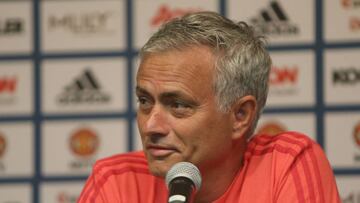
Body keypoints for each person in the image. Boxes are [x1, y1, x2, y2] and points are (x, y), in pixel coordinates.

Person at [78, 11, 340, 203]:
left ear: (240, 115)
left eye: (178, 105)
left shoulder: (284, 164)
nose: (150, 125)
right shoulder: (117, 181)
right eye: (145, 101)